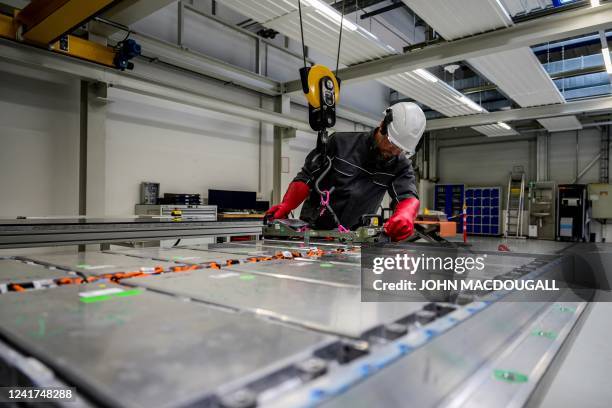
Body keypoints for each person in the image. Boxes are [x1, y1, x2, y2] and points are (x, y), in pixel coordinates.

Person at [266, 102, 426, 242]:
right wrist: (287, 204)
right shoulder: (340, 143)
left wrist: (406, 214)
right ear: (382, 125)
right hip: (315, 232)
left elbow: (408, 196)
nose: (394, 150)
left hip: (357, 237)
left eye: (401, 149)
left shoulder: (400, 164)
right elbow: (307, 176)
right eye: (391, 142)